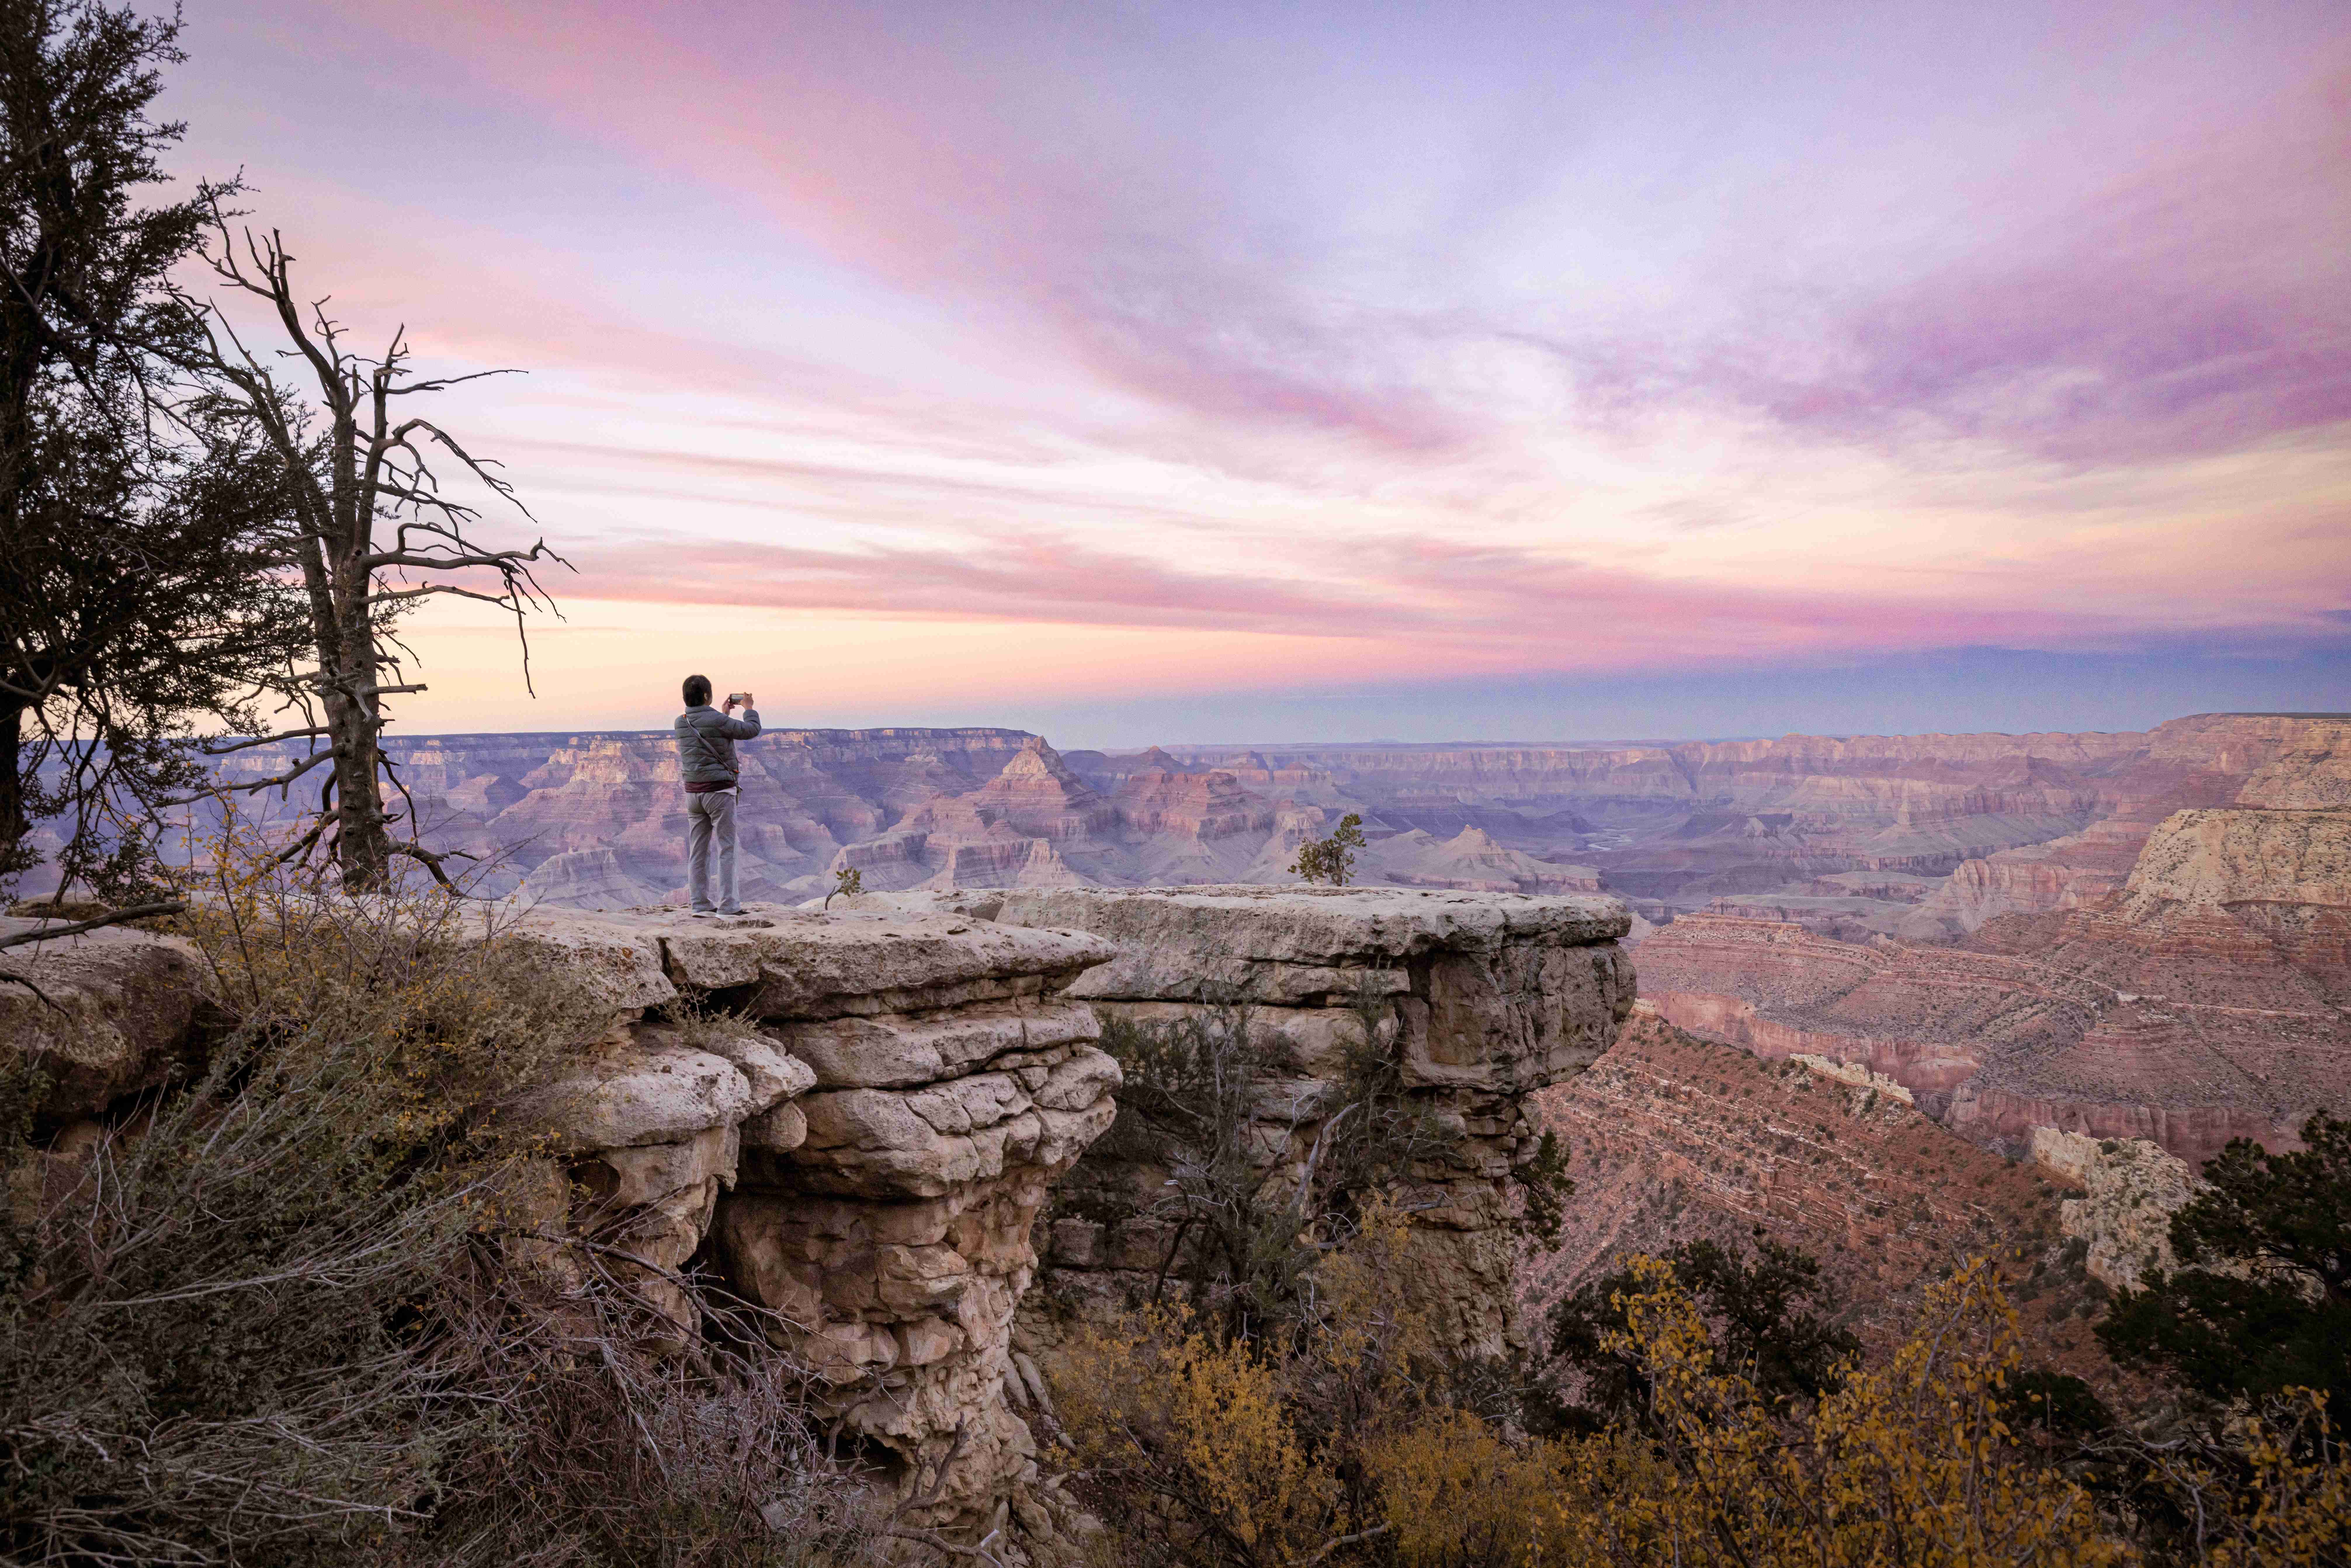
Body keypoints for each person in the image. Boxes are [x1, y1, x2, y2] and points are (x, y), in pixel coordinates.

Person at [673, 674, 760, 916]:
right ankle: (728, 906)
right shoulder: (716, 720)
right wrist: (749, 709)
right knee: (727, 848)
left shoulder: (680, 723)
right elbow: (751, 730)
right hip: (719, 793)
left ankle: (700, 905)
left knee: (698, 850)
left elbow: (710, 728)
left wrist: (723, 715)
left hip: (693, 795)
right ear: (706, 696)